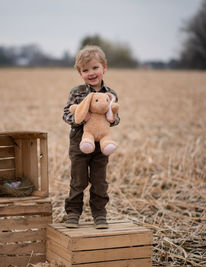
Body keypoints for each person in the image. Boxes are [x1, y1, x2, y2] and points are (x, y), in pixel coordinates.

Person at [62, 45, 120, 229]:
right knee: (78, 180)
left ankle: (99, 214)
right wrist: (81, 118)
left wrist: (109, 118)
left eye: (95, 68)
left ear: (104, 67)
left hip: (101, 145)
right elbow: (65, 114)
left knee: (99, 181)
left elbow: (115, 118)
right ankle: (73, 213)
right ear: (80, 73)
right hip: (79, 141)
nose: (91, 73)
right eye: (85, 70)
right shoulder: (76, 92)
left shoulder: (110, 95)